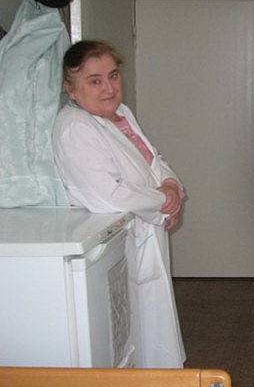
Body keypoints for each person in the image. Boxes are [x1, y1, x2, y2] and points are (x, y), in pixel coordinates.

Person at [52, 40, 186, 369]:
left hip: (144, 233)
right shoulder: (74, 128)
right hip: (121, 243)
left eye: (113, 76)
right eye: (94, 81)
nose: (109, 88)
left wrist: (170, 184)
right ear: (70, 88)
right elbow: (108, 194)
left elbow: (153, 160)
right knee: (131, 338)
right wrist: (164, 202)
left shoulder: (121, 114)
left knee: (152, 329)